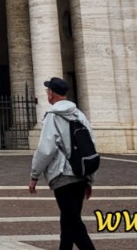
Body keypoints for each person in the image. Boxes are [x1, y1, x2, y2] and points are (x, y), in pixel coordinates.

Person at [29, 78, 96, 250]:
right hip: (80, 175)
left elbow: (46, 149)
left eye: (47, 91)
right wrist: (89, 179)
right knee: (67, 222)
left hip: (63, 176)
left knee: (74, 225)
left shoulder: (53, 116)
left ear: (51, 93)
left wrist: (34, 174)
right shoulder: (80, 115)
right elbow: (90, 147)